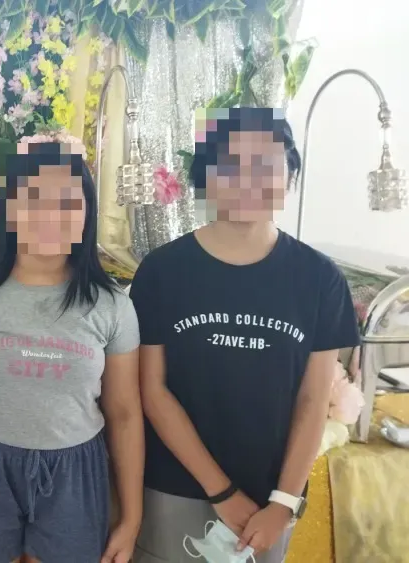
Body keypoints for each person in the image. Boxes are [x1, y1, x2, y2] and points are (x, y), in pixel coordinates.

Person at [130, 107, 361, 563]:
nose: (247, 179)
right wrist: (221, 491)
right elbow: (152, 390)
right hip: (173, 488)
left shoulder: (319, 279)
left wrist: (285, 501)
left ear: (289, 177)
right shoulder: (162, 272)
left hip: (269, 501)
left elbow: (313, 400)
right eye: (230, 163)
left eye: (265, 165)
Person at [0, 138, 143, 563]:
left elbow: (125, 413)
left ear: (87, 214)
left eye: (67, 202)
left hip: (75, 474)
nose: (51, 215)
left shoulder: (113, 306)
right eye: (35, 199)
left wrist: (131, 519)